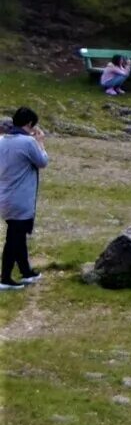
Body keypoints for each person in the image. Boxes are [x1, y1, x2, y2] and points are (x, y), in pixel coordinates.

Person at [0, 108, 49, 290]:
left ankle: (25, 271)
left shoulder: (2, 140)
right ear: (29, 124)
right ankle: (5, 278)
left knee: (17, 235)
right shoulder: (28, 141)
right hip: (20, 198)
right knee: (14, 238)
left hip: (5, 196)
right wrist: (40, 142)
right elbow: (42, 161)